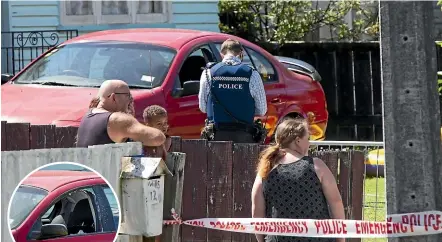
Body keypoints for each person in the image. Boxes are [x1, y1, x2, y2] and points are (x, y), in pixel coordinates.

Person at [251, 117, 345, 242]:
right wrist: (340, 239)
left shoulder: (265, 170)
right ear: (298, 141)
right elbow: (336, 203)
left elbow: (257, 212)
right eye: (308, 139)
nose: (309, 143)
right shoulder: (316, 166)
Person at [198, 39, 267, 143]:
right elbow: (262, 110)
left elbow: (203, 108)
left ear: (222, 54)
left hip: (216, 135)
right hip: (244, 135)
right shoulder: (252, 74)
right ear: (241, 53)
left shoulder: (208, 73)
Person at [76, 79, 165, 148]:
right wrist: (129, 118)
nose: (131, 100)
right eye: (128, 96)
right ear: (113, 97)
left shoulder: (89, 115)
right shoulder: (117, 119)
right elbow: (158, 137)